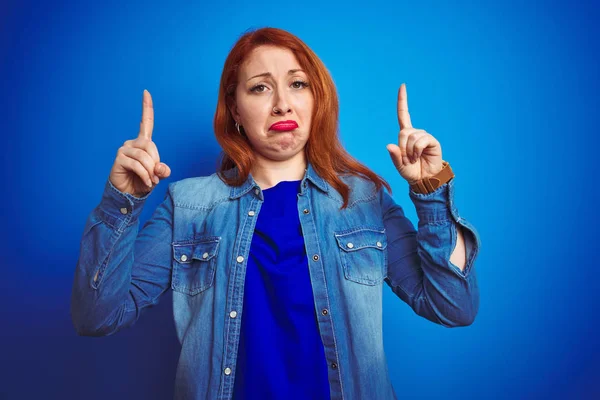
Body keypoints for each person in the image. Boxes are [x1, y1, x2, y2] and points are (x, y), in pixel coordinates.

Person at [71, 27, 480, 400]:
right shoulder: (188, 206)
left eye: (297, 84)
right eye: (260, 88)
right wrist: (121, 200)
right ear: (234, 108)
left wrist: (430, 190)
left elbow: (453, 306)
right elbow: (97, 316)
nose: (282, 104)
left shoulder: (363, 200)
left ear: (316, 98)